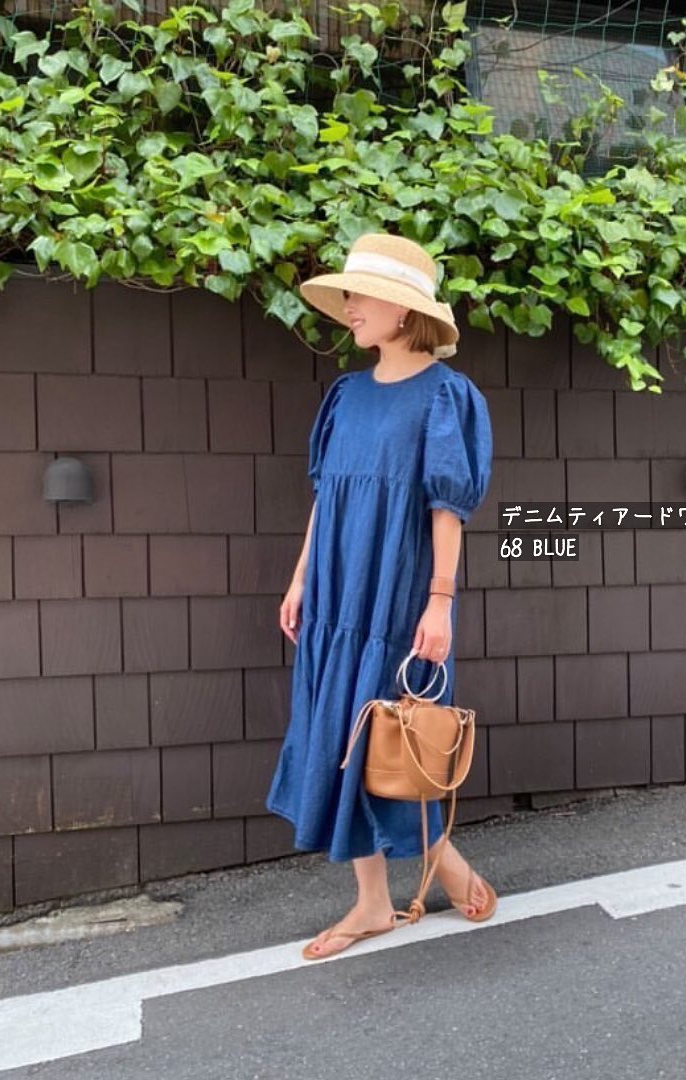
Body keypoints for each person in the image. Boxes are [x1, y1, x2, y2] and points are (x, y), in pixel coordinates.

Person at [266, 231, 497, 961]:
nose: (349, 308)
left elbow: (447, 507)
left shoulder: (446, 396)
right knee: (339, 738)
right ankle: (372, 902)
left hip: (396, 592)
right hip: (335, 592)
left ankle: (441, 863)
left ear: (403, 311)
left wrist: (440, 601)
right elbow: (327, 496)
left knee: (392, 736)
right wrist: (301, 577)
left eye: (361, 296)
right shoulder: (345, 395)